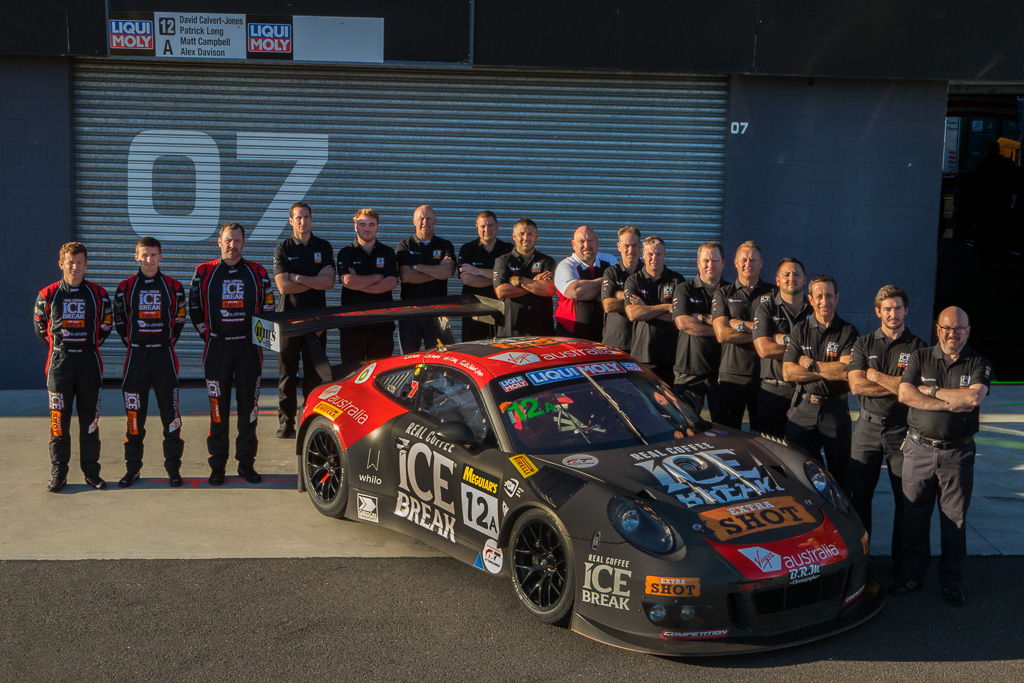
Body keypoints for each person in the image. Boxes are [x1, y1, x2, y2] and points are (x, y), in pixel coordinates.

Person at [890, 306, 991, 607]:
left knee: (954, 521)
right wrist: (947, 401)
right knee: (914, 517)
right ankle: (912, 575)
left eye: (959, 328)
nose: (953, 334)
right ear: (938, 329)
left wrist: (930, 392)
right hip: (918, 450)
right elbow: (905, 394)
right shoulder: (920, 356)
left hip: (957, 454)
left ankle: (951, 580)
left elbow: (973, 397)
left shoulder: (978, 362)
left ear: (968, 331)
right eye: (947, 328)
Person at [847, 285, 926, 576]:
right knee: (859, 498)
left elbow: (910, 392)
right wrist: (896, 385)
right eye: (887, 309)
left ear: (906, 310)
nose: (893, 314)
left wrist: (875, 375)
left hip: (902, 431)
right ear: (877, 311)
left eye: (898, 308)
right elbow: (856, 385)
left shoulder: (919, 348)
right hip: (866, 427)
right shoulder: (864, 344)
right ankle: (859, 567)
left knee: (905, 501)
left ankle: (903, 569)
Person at [189, 222, 274, 486]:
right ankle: (217, 465)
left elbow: (269, 309)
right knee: (218, 410)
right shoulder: (204, 272)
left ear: (243, 243)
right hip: (218, 348)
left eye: (237, 241)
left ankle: (246, 464)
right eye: (228, 240)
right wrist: (210, 334)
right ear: (219, 241)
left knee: (249, 410)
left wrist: (260, 342)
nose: (232, 245)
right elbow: (194, 307)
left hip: (249, 350)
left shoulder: (257, 272)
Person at [33, 241, 113, 492]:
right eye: (70, 263)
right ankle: (59, 475)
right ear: (61, 264)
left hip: (89, 363)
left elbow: (106, 327)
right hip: (60, 364)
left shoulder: (99, 294)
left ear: (86, 265)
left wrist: (85, 346)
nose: (75, 267)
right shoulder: (47, 294)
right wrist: (63, 347)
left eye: (80, 263)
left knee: (90, 423)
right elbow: (40, 328)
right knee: (59, 423)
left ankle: (91, 473)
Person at [113, 236, 187, 487]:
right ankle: (132, 470)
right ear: (136, 257)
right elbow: (119, 322)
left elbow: (178, 321)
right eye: (144, 255)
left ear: (161, 256)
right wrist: (136, 342)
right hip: (136, 356)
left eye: (153, 254)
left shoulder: (174, 287)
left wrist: (162, 342)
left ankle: (173, 470)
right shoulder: (125, 288)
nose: (149, 259)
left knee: (171, 416)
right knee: (134, 417)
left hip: (164, 356)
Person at [782, 275, 858, 492]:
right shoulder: (800, 330)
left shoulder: (848, 331)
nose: (825, 301)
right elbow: (787, 372)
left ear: (837, 297)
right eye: (819, 296)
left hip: (834, 411)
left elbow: (845, 371)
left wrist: (811, 365)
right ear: (811, 299)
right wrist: (827, 370)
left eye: (829, 295)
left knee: (839, 473)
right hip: (803, 408)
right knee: (797, 470)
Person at [272, 202, 335, 439]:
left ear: (311, 219)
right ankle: (286, 423)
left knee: (314, 375)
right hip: (288, 322)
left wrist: (297, 276)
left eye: (306, 217)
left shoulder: (323, 247)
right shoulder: (283, 248)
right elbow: (283, 287)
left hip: (316, 322)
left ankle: (310, 421)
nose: (302, 221)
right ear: (291, 221)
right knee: (287, 375)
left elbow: (328, 283)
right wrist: (313, 279)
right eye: (298, 217)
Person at [711, 241, 774, 428]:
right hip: (732, 376)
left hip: (764, 377)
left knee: (765, 437)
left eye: (753, 260)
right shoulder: (723, 293)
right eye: (744, 259)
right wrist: (763, 335)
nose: (748, 263)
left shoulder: (773, 294)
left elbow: (780, 332)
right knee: (728, 435)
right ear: (736, 263)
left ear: (761, 263)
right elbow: (722, 334)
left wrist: (738, 324)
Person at [751, 257, 811, 438]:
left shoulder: (814, 310)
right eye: (786, 274)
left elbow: (820, 350)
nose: (791, 277)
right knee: (770, 451)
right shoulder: (765, 308)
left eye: (797, 274)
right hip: (772, 391)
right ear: (777, 280)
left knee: (802, 452)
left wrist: (780, 339)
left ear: (804, 279)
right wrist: (799, 355)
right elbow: (764, 348)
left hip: (804, 393)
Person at [337, 208, 400, 363]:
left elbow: (390, 283)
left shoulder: (387, 253)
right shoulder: (345, 253)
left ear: (377, 227)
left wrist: (359, 281)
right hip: (352, 326)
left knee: (380, 375)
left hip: (382, 326)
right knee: (350, 374)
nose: (367, 228)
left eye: (371, 224)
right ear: (355, 227)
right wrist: (377, 277)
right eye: (362, 224)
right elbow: (348, 282)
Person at [672, 241, 728, 413]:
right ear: (698, 263)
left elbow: (735, 325)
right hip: (689, 370)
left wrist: (698, 317)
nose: (710, 265)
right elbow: (683, 323)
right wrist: (721, 330)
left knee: (725, 427)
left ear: (723, 263)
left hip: (722, 372)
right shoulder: (684, 289)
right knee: (686, 424)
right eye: (706, 260)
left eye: (715, 260)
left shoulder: (731, 292)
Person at [396, 205, 455, 352]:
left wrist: (418, 267)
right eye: (421, 218)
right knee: (408, 359)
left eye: (429, 218)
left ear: (435, 221)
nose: (425, 222)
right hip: (410, 313)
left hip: (438, 313)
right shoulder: (404, 245)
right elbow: (405, 276)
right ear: (414, 221)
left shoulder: (445, 245)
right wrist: (436, 272)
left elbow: (447, 272)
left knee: (440, 359)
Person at [625, 236, 682, 385]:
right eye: (650, 254)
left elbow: (678, 317)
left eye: (658, 254)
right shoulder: (634, 280)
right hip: (642, 356)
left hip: (670, 357)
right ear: (643, 255)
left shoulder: (677, 280)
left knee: (668, 404)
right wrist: (665, 307)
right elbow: (633, 314)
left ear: (665, 255)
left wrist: (645, 308)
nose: (654, 258)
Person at [493, 218, 556, 336]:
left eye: (530, 234)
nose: (526, 238)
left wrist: (520, 280)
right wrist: (534, 283)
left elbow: (549, 290)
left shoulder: (547, 261)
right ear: (514, 236)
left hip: (541, 331)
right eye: (521, 234)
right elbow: (501, 291)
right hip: (510, 331)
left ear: (536, 237)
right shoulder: (503, 261)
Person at [554, 225, 616, 341]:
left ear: (597, 242)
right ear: (573, 245)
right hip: (571, 336)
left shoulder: (610, 260)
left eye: (590, 240)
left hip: (605, 335)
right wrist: (607, 282)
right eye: (581, 241)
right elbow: (576, 292)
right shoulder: (566, 265)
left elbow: (618, 290)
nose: (586, 245)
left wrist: (588, 289)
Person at [457, 211, 512, 341]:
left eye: (490, 225)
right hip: (473, 312)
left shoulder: (508, 250)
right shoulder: (467, 249)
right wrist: (500, 279)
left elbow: (512, 279)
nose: (486, 229)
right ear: (477, 227)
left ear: (497, 226)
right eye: (483, 226)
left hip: (501, 311)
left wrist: (478, 271)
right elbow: (467, 279)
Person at [600, 225, 641, 352]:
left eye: (634, 245)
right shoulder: (611, 272)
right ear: (619, 247)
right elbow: (608, 305)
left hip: (640, 344)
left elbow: (652, 304)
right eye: (626, 246)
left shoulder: (647, 274)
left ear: (640, 246)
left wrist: (618, 294)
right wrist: (636, 303)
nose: (630, 250)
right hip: (615, 343)